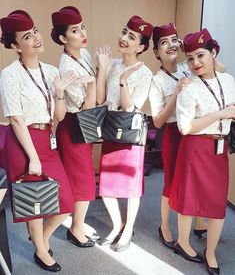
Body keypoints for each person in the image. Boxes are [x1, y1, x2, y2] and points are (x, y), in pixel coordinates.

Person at [0, 10, 78, 272]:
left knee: (65, 202)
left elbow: (59, 116)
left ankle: (41, 239)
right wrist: (32, 156)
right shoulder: (10, 74)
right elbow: (15, 119)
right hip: (23, 143)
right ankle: (42, 252)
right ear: (14, 46)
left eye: (35, 32)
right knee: (35, 201)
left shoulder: (51, 70)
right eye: (26, 36)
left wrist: (59, 94)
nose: (35, 39)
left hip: (48, 137)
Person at [169, 29, 235, 274]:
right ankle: (182, 242)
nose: (195, 62)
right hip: (195, 148)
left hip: (219, 148)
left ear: (213, 53)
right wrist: (220, 114)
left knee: (217, 203)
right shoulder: (189, 87)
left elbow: (223, 73)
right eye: (190, 58)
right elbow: (185, 128)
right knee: (190, 200)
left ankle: (210, 252)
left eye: (201, 55)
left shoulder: (227, 80)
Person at [149, 23, 209, 249]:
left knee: (196, 180)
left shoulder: (189, 65)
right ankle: (164, 226)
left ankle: (199, 222)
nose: (171, 45)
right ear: (156, 52)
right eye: (164, 43)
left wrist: (188, 46)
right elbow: (157, 120)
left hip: (195, 131)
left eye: (174, 39)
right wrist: (175, 94)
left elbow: (219, 67)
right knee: (171, 182)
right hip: (173, 134)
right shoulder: (157, 80)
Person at [96, 15, 153, 252]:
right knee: (107, 185)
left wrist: (123, 81)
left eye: (131, 36)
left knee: (129, 186)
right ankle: (116, 225)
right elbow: (100, 100)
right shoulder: (114, 64)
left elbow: (129, 108)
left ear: (140, 47)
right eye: (124, 32)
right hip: (110, 129)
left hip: (130, 133)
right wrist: (103, 69)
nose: (124, 38)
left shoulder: (145, 72)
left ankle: (128, 229)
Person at [51, 6, 99, 248]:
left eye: (82, 28)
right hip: (74, 125)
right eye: (74, 30)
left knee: (84, 176)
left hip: (83, 125)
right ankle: (75, 228)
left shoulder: (85, 54)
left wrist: (100, 71)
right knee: (81, 179)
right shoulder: (66, 67)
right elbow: (88, 106)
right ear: (62, 38)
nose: (82, 33)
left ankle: (77, 225)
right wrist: (92, 85)